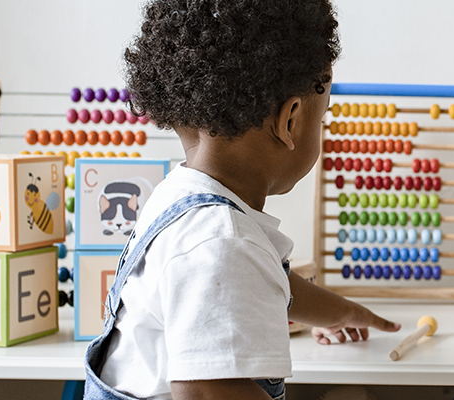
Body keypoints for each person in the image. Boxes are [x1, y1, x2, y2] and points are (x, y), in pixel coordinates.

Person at [83, 1, 401, 399]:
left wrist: (342, 312)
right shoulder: (222, 242)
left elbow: (268, 284)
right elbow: (205, 392)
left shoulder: (180, 199)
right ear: (290, 121)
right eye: (321, 120)